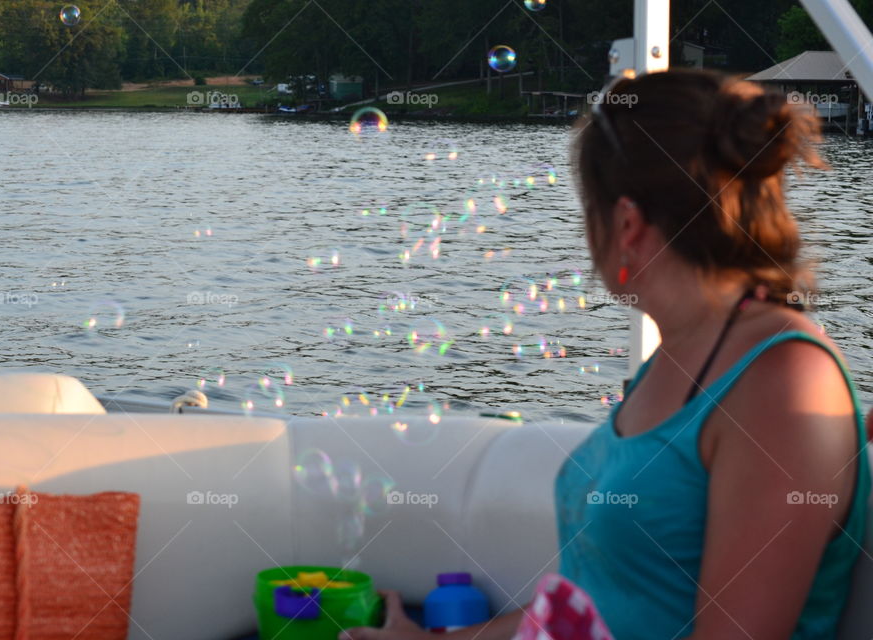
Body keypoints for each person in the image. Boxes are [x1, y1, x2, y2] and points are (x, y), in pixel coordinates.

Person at [341, 69, 870, 640]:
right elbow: (599, 597)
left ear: (625, 222)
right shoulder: (677, 356)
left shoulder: (781, 379)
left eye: (584, 209)